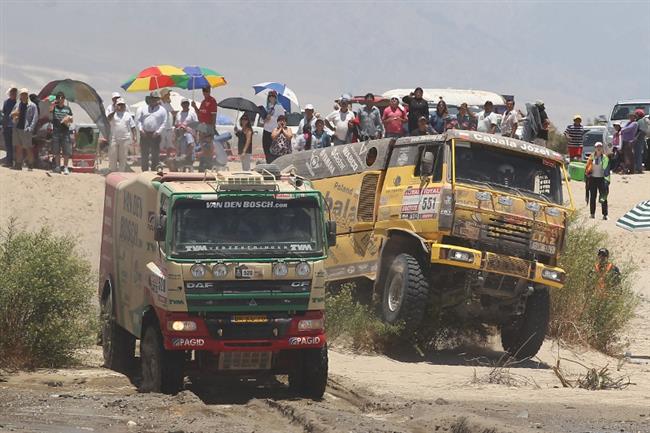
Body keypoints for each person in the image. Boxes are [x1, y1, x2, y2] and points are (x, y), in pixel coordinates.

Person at [136, 91, 167, 171]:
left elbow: (164, 122)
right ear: (149, 99)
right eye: (152, 99)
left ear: (158, 100)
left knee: (155, 155)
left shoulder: (162, 110)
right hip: (144, 134)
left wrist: (158, 132)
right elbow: (139, 120)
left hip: (155, 135)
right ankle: (144, 171)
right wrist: (141, 129)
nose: (153, 100)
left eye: (155, 99)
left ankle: (153, 171)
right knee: (144, 154)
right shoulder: (143, 109)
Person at [10, 88, 38, 171]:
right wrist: (13, 115)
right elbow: (11, 115)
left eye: (25, 94)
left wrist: (31, 128)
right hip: (17, 128)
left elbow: (35, 118)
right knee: (18, 147)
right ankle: (18, 164)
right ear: (20, 96)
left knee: (28, 147)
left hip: (26, 129)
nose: (23, 95)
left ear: (27, 95)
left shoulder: (32, 105)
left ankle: (30, 164)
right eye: (22, 94)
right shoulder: (17, 105)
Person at [107, 98, 136, 172]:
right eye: (119, 105)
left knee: (123, 157)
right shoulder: (113, 114)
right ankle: (113, 172)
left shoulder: (128, 115)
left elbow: (133, 126)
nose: (121, 106)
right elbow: (108, 119)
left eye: (122, 105)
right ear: (116, 105)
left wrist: (134, 136)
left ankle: (121, 173)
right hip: (114, 138)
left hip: (125, 139)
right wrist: (115, 111)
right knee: (113, 157)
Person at [49, 91, 74, 174]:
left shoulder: (67, 108)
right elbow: (50, 112)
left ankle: (65, 167)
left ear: (64, 99)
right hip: (56, 131)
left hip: (65, 131)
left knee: (66, 151)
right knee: (56, 150)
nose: (60, 99)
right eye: (59, 97)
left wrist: (68, 119)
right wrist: (53, 104)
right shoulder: (54, 108)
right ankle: (58, 166)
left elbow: (71, 119)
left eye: (62, 97)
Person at [585, 142, 610, 220]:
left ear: (602, 148)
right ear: (595, 148)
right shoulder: (591, 157)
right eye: (597, 147)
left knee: (603, 197)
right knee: (593, 197)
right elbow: (587, 168)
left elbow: (607, 170)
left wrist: (607, 180)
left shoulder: (605, 158)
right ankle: (592, 214)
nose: (598, 148)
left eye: (600, 147)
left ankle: (605, 215)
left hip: (602, 179)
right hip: (593, 179)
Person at [261, 90, 285, 162]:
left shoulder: (279, 107)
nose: (271, 98)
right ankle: (268, 163)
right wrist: (265, 119)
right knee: (266, 149)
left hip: (275, 132)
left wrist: (271, 118)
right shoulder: (266, 107)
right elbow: (261, 120)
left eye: (273, 96)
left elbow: (282, 120)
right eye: (270, 96)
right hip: (266, 131)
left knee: (274, 150)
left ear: (276, 97)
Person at [2, 87, 17, 167]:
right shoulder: (6, 102)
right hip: (7, 125)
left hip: (15, 126)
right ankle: (9, 161)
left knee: (14, 144)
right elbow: (4, 113)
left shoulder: (18, 103)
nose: (13, 95)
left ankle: (14, 161)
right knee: (8, 144)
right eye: (12, 93)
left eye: (15, 93)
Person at [633, 109, 646, 173]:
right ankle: (637, 168)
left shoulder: (641, 121)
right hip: (639, 139)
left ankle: (639, 168)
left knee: (638, 153)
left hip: (639, 139)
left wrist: (636, 137)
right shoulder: (639, 121)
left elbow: (642, 131)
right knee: (636, 153)